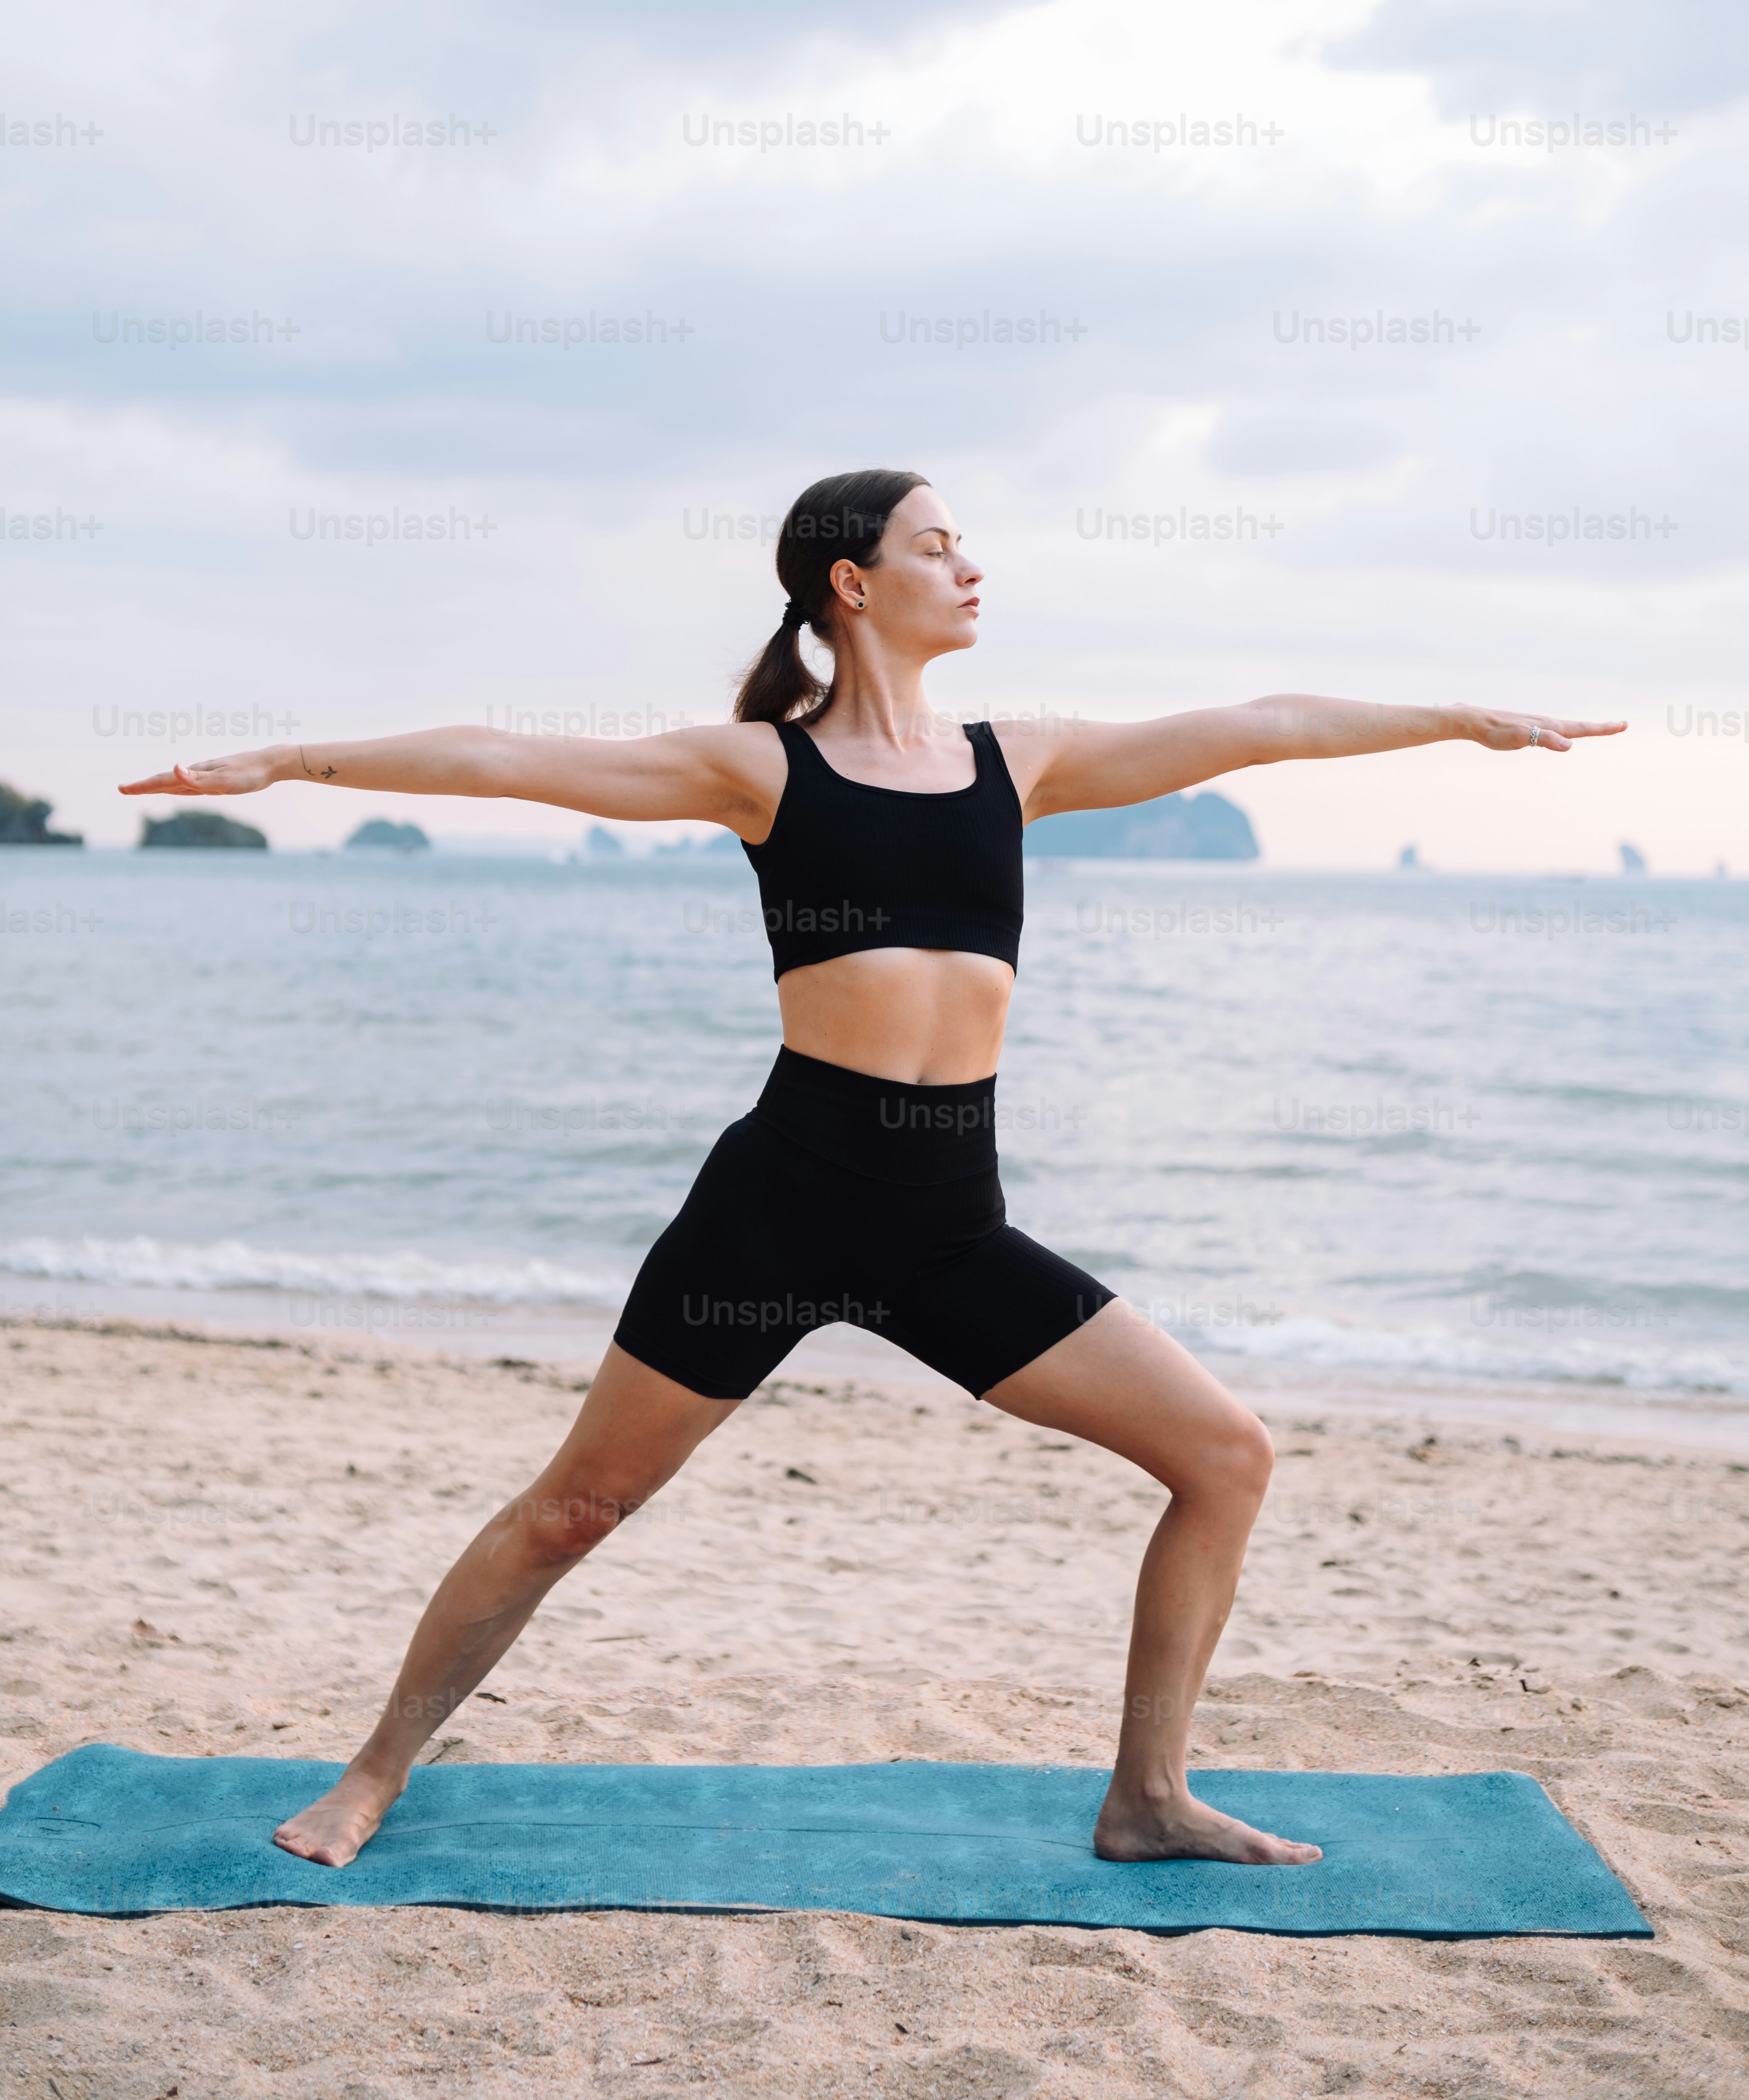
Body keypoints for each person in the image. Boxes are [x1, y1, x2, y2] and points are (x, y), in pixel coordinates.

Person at [121, 467, 1624, 1870]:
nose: (971, 564)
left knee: (1225, 1456)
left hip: (946, 1225)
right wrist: (293, 760)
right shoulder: (759, 769)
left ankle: (1150, 1795)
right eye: (937, 544)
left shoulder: (1016, 762)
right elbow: (516, 760)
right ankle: (378, 1770)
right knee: (577, 1508)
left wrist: (1457, 717)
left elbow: (1269, 721)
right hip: (780, 1203)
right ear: (851, 584)